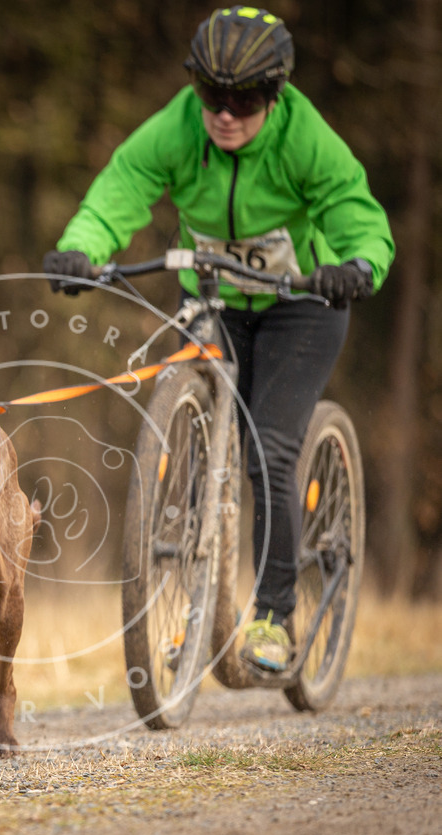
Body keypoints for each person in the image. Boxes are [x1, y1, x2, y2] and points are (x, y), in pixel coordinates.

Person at [43, 6, 394, 671]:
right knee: (202, 431)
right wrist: (79, 251)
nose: (225, 112)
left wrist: (358, 265)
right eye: (211, 95)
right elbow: (122, 188)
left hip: (304, 305)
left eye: (244, 99)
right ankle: (198, 594)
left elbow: (354, 208)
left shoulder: (303, 139)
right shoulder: (178, 127)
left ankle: (271, 616)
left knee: (270, 447)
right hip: (213, 297)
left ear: (275, 94)